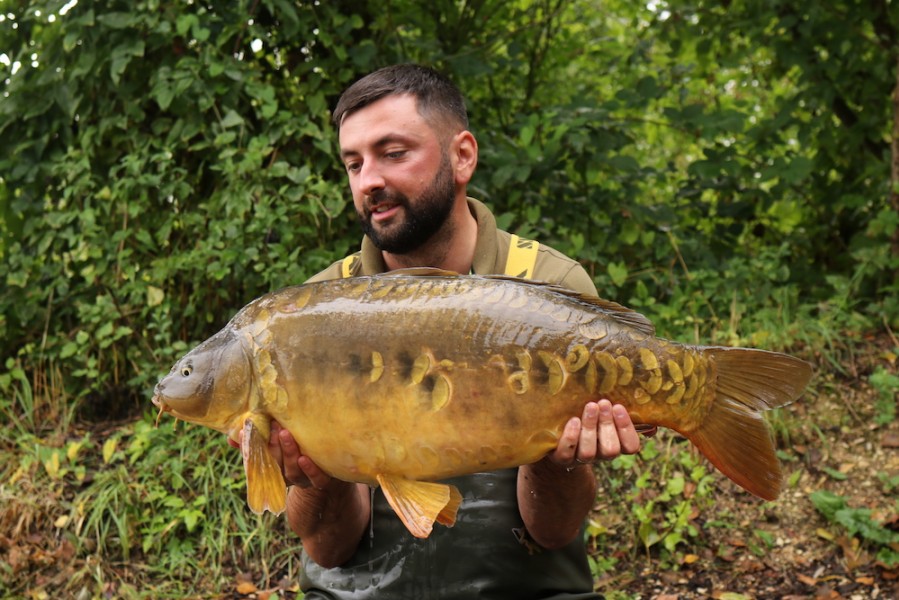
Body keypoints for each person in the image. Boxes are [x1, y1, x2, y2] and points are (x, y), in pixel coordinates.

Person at [255, 64, 652, 599]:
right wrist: (311, 475)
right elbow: (328, 550)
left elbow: (554, 532)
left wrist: (561, 462)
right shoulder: (311, 316)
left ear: (462, 156)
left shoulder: (549, 285)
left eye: (393, 153)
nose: (369, 180)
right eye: (353, 163)